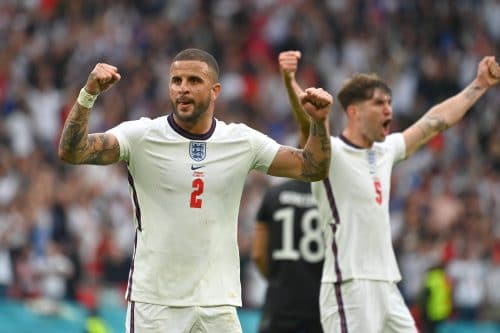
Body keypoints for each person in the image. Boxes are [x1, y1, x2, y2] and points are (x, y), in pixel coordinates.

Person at [58, 48, 333, 333]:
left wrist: (319, 123)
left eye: (193, 81)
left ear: (215, 90)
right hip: (156, 303)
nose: (183, 89)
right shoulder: (141, 135)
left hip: (217, 304)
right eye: (176, 81)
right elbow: (72, 151)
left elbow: (312, 169)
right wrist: (88, 93)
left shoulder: (241, 140)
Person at [278, 50, 500, 333]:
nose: (389, 111)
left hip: (387, 287)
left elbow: (435, 120)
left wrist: (479, 84)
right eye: (379, 103)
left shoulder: (386, 150)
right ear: (354, 113)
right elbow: (306, 122)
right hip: (349, 285)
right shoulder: (330, 152)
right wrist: (289, 80)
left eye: (390, 103)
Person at [252, 176, 324, 333]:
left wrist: (277, 277)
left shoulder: (273, 194)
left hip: (281, 300)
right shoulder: (332, 197)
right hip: (322, 303)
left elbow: (258, 253)